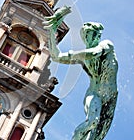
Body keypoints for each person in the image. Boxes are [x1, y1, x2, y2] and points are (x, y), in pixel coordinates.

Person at [44, 7, 118, 140]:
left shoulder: (106, 45)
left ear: (97, 35)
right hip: (94, 93)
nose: (88, 38)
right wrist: (51, 31)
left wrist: (75, 55)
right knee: (92, 122)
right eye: (86, 35)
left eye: (90, 34)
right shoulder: (83, 57)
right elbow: (56, 56)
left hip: (110, 97)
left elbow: (94, 53)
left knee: (97, 135)